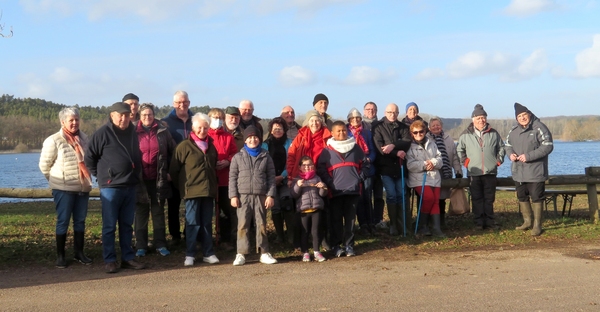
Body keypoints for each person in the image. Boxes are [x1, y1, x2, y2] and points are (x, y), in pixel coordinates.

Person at [84, 102, 145, 273]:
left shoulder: (132, 132)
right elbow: (89, 158)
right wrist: (104, 177)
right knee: (109, 225)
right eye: (121, 115)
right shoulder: (102, 134)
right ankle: (110, 259)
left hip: (130, 186)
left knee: (127, 225)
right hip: (111, 188)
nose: (124, 118)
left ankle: (128, 257)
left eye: (127, 115)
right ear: (112, 115)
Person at [39, 107, 93, 268]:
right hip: (63, 189)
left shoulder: (84, 138)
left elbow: (89, 161)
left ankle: (79, 253)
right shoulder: (54, 140)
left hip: (82, 188)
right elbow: (44, 166)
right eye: (71, 120)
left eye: (77, 119)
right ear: (63, 122)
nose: (75, 123)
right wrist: (57, 182)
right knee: (63, 221)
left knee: (80, 222)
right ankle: (61, 256)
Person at [170, 113, 220, 266]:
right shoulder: (184, 146)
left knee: (206, 223)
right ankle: (190, 254)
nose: (202, 130)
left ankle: (208, 253)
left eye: (205, 128)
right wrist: (183, 187)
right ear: (193, 127)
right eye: (199, 127)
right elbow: (174, 170)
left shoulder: (211, 146)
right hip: (191, 191)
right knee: (192, 223)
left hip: (208, 190)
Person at [229, 125, 278, 266]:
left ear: (260, 139)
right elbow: (232, 177)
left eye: (255, 137)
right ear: (245, 140)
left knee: (261, 224)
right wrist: (233, 196)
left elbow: (271, 177)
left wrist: (270, 195)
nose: (252, 139)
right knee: (242, 224)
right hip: (243, 196)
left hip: (261, 195)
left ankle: (264, 252)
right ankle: (241, 253)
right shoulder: (238, 157)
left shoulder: (266, 156)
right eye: (249, 137)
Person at [317, 121, 366, 257]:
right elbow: (321, 169)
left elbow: (366, 165)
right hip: (335, 192)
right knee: (336, 220)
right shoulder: (327, 150)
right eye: (338, 131)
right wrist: (330, 183)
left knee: (350, 221)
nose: (341, 133)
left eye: (344, 130)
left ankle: (349, 246)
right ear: (332, 133)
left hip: (353, 191)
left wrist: (359, 179)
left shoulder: (355, 148)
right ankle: (337, 246)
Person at [134, 103, 176, 257]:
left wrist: (170, 172)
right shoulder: (133, 131)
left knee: (158, 212)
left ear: (154, 115)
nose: (147, 117)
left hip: (159, 179)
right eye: (144, 115)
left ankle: (160, 244)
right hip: (140, 180)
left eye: (150, 114)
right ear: (140, 115)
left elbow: (174, 152)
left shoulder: (163, 131)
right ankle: (141, 246)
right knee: (141, 213)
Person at [286, 110, 332, 249]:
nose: (315, 123)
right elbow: (291, 156)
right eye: (312, 120)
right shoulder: (300, 136)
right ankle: (300, 242)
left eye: (317, 120)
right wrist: (290, 176)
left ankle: (322, 240)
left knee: (322, 209)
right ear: (307, 122)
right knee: (301, 209)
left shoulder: (327, 136)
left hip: (321, 175)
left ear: (321, 121)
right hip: (301, 176)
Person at [506, 103, 553, 236]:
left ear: (529, 115)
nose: (522, 118)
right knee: (522, 196)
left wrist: (529, 156)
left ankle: (537, 225)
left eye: (524, 115)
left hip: (536, 171)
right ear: (517, 118)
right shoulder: (513, 130)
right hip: (518, 171)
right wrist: (510, 154)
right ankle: (527, 222)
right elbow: (507, 145)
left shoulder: (539, 127)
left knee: (537, 197)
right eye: (519, 116)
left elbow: (548, 146)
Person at [457, 104, 506, 230]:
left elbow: (502, 147)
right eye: (478, 118)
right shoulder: (465, 134)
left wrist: (498, 160)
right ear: (473, 119)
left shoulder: (494, 133)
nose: (481, 120)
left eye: (483, 117)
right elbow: (459, 150)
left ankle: (490, 222)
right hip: (474, 172)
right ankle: (479, 223)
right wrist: (466, 162)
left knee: (489, 199)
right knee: (477, 199)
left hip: (490, 172)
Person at [372, 103, 412, 236]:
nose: (392, 115)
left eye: (395, 112)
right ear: (385, 112)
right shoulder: (378, 127)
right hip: (385, 168)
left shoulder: (403, 127)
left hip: (400, 167)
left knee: (401, 195)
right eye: (390, 112)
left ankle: (403, 225)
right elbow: (380, 147)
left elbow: (407, 142)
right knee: (391, 195)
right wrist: (396, 152)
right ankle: (393, 225)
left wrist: (392, 145)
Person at [161, 91, 194, 245]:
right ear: (173, 104)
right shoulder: (165, 122)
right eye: (179, 102)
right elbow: (162, 149)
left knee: (190, 205)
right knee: (173, 206)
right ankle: (175, 236)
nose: (182, 105)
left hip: (192, 172)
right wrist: (167, 170)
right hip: (173, 170)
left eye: (185, 101)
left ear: (189, 102)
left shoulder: (196, 120)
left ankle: (190, 234)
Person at [207, 108, 239, 250]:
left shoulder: (228, 136)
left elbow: (234, 153)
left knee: (225, 211)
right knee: (207, 211)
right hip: (209, 179)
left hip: (225, 178)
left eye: (220, 117)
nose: (217, 120)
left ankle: (225, 239)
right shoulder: (205, 135)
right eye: (214, 117)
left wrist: (227, 161)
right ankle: (205, 240)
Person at [407, 120, 445, 237]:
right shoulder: (409, 147)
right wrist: (424, 164)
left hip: (434, 177)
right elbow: (410, 165)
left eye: (421, 131)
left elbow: (440, 158)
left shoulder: (432, 143)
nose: (419, 134)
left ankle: (436, 228)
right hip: (419, 178)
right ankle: (421, 225)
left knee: (435, 201)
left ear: (425, 131)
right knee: (428, 198)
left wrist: (433, 163)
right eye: (415, 132)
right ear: (412, 134)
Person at [261, 117, 294, 244]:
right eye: (275, 129)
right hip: (270, 180)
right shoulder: (265, 145)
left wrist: (282, 176)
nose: (278, 131)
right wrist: (272, 178)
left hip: (286, 179)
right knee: (275, 208)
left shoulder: (290, 143)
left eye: (280, 129)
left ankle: (291, 236)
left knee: (287, 205)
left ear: (284, 130)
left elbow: (292, 162)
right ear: (270, 130)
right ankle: (280, 236)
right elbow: (263, 164)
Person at [290, 156, 328, 262]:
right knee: (304, 231)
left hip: (316, 209)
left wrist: (323, 187)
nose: (307, 167)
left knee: (316, 231)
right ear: (300, 167)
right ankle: (305, 252)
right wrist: (297, 186)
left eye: (310, 164)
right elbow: (294, 194)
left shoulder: (317, 178)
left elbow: (322, 194)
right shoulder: (297, 179)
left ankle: (317, 251)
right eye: (304, 165)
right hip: (303, 210)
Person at [427, 117, 462, 228]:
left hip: (446, 173)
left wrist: (458, 171)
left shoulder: (448, 138)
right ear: (429, 127)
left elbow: (455, 156)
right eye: (433, 125)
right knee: (432, 199)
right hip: (432, 174)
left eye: (438, 125)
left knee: (442, 199)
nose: (436, 127)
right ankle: (430, 222)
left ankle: (441, 222)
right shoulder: (427, 139)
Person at [346, 108, 376, 235]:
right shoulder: (346, 132)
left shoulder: (366, 132)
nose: (355, 120)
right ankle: (363, 224)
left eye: (357, 118)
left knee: (368, 197)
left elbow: (373, 149)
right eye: (352, 118)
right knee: (359, 197)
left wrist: (369, 159)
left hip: (368, 167)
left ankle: (371, 223)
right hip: (354, 169)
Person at [363, 102, 386, 230]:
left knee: (378, 195)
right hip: (368, 165)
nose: (371, 111)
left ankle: (378, 219)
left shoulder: (381, 124)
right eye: (368, 109)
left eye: (373, 109)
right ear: (364, 111)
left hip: (380, 165)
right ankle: (368, 221)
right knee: (366, 195)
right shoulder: (362, 125)